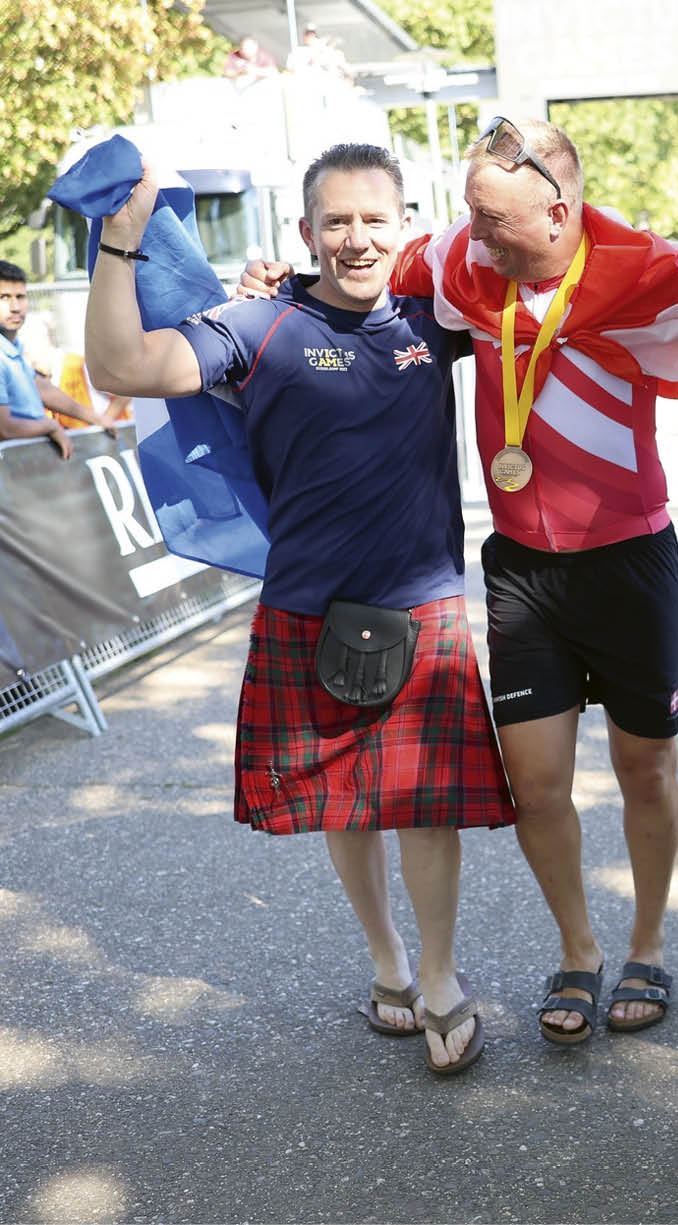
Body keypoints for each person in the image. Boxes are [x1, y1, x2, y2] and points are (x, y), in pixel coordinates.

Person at [83, 143, 515, 1075]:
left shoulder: (433, 318)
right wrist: (119, 241)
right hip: (306, 608)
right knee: (346, 805)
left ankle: (441, 976)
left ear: (403, 224)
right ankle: (388, 964)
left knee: (426, 809)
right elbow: (123, 365)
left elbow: (531, 270)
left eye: (375, 219)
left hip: (425, 606)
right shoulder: (260, 322)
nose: (357, 239)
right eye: (337, 221)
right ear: (307, 229)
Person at [389, 118, 678, 1042]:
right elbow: (375, 268)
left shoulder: (651, 271)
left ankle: (647, 942)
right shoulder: (463, 261)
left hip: (630, 562)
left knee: (644, 767)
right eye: (469, 212)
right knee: (534, 784)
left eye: (492, 218)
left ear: (559, 210)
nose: (474, 231)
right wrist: (282, 284)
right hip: (524, 569)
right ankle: (580, 949)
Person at [1, 260, 124, 456]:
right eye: (4, 297)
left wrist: (97, 418)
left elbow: (41, 388)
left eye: (20, 297)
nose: (15, 307)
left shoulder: (12, 349)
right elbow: (5, 428)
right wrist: (50, 426)